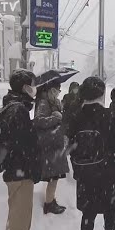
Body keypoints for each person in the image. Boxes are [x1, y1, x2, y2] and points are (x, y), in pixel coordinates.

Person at [68, 77, 115, 230]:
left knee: (88, 213)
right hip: (108, 172)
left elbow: (70, 143)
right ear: (101, 94)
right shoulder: (110, 116)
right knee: (110, 210)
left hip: (85, 174)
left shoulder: (76, 117)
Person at [0, 69, 41, 230]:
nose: (34, 88)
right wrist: (33, 166)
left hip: (20, 167)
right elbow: (22, 143)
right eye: (31, 85)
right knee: (19, 207)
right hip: (19, 168)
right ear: (24, 87)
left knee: (23, 207)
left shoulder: (17, 106)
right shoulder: (17, 109)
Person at [34, 80, 69, 215]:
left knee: (55, 175)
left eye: (58, 91)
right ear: (49, 90)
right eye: (55, 90)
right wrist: (56, 118)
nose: (57, 93)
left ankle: (51, 200)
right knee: (53, 175)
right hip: (49, 144)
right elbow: (38, 120)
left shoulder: (53, 101)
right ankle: (49, 203)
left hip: (54, 142)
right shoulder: (43, 102)